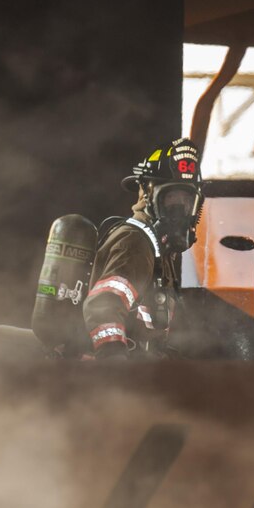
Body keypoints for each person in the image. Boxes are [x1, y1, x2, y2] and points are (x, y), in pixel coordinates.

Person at [83, 137, 205, 360]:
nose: (180, 209)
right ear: (148, 197)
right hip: (113, 378)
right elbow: (103, 305)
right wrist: (114, 359)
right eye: (171, 198)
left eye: (186, 200)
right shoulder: (136, 242)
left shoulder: (160, 252)